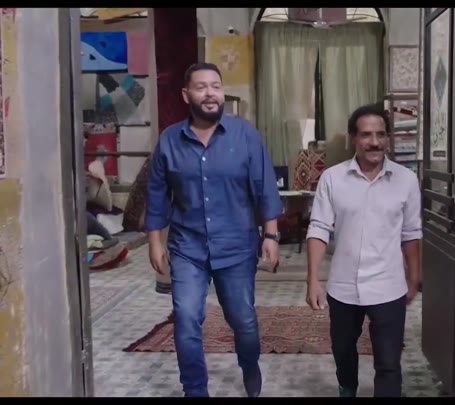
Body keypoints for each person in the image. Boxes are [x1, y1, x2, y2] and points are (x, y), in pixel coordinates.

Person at [144, 62, 282, 398]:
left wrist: (271, 234)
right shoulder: (170, 140)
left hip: (236, 246)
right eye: (201, 87)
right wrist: (154, 241)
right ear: (186, 94)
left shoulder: (244, 135)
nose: (210, 94)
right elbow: (157, 194)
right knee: (186, 317)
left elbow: (264, 186)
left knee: (243, 320)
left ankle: (249, 363)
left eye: (216, 87)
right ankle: (195, 390)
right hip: (186, 247)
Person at [305, 103, 422, 397]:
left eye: (381, 134)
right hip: (344, 286)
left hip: (388, 286)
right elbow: (319, 228)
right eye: (367, 135)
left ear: (388, 138)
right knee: (343, 349)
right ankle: (347, 387)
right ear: (353, 138)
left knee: (389, 363)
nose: (374, 142)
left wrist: (414, 277)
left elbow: (411, 233)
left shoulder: (406, 180)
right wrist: (312, 279)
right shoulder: (333, 178)